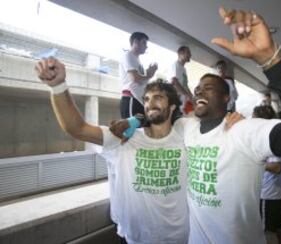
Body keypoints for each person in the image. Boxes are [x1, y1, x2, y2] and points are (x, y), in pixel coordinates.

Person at [111, 7, 281, 244]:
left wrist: (270, 58)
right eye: (198, 88)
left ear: (226, 98)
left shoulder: (243, 131)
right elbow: (158, 113)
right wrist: (133, 120)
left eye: (208, 88)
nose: (199, 90)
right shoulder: (185, 128)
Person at [35, 58, 189, 244]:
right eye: (147, 98)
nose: (150, 103)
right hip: (135, 238)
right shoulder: (124, 137)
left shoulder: (186, 137)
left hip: (180, 237)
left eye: (158, 97)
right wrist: (58, 86)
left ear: (172, 106)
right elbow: (76, 128)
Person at [253, 105, 281, 244]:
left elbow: (276, 167)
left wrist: (254, 162)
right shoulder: (274, 134)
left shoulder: (270, 137)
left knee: (266, 233)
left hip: (269, 194)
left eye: (254, 118)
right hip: (278, 192)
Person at [119, 32, 158, 118]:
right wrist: (149, 75)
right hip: (131, 98)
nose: (146, 46)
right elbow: (134, 78)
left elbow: (140, 81)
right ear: (136, 41)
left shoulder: (137, 60)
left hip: (138, 99)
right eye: (144, 42)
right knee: (133, 129)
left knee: (141, 130)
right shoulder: (128, 55)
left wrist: (149, 74)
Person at [167, 46, 193, 115]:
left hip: (182, 104)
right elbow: (174, 82)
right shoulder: (176, 64)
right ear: (180, 53)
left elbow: (185, 85)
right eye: (188, 52)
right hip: (175, 101)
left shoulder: (184, 69)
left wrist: (191, 95)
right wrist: (187, 95)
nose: (190, 55)